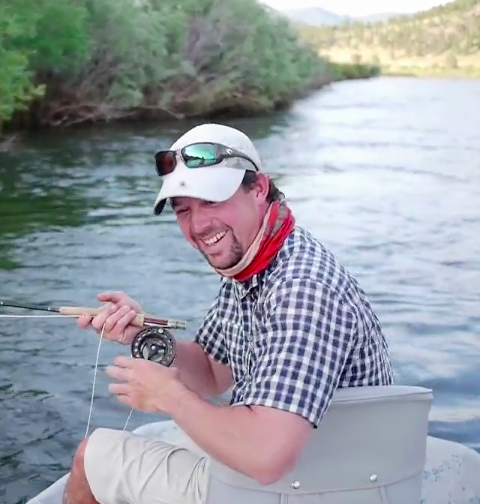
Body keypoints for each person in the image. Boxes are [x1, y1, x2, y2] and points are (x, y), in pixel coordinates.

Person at [61, 123, 394, 504]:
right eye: (183, 210)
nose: (198, 226)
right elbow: (211, 371)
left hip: (318, 489)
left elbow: (266, 457)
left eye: (212, 201)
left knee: (92, 457)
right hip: (307, 470)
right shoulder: (252, 262)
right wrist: (140, 333)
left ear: (259, 188)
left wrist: (169, 395)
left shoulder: (302, 289)